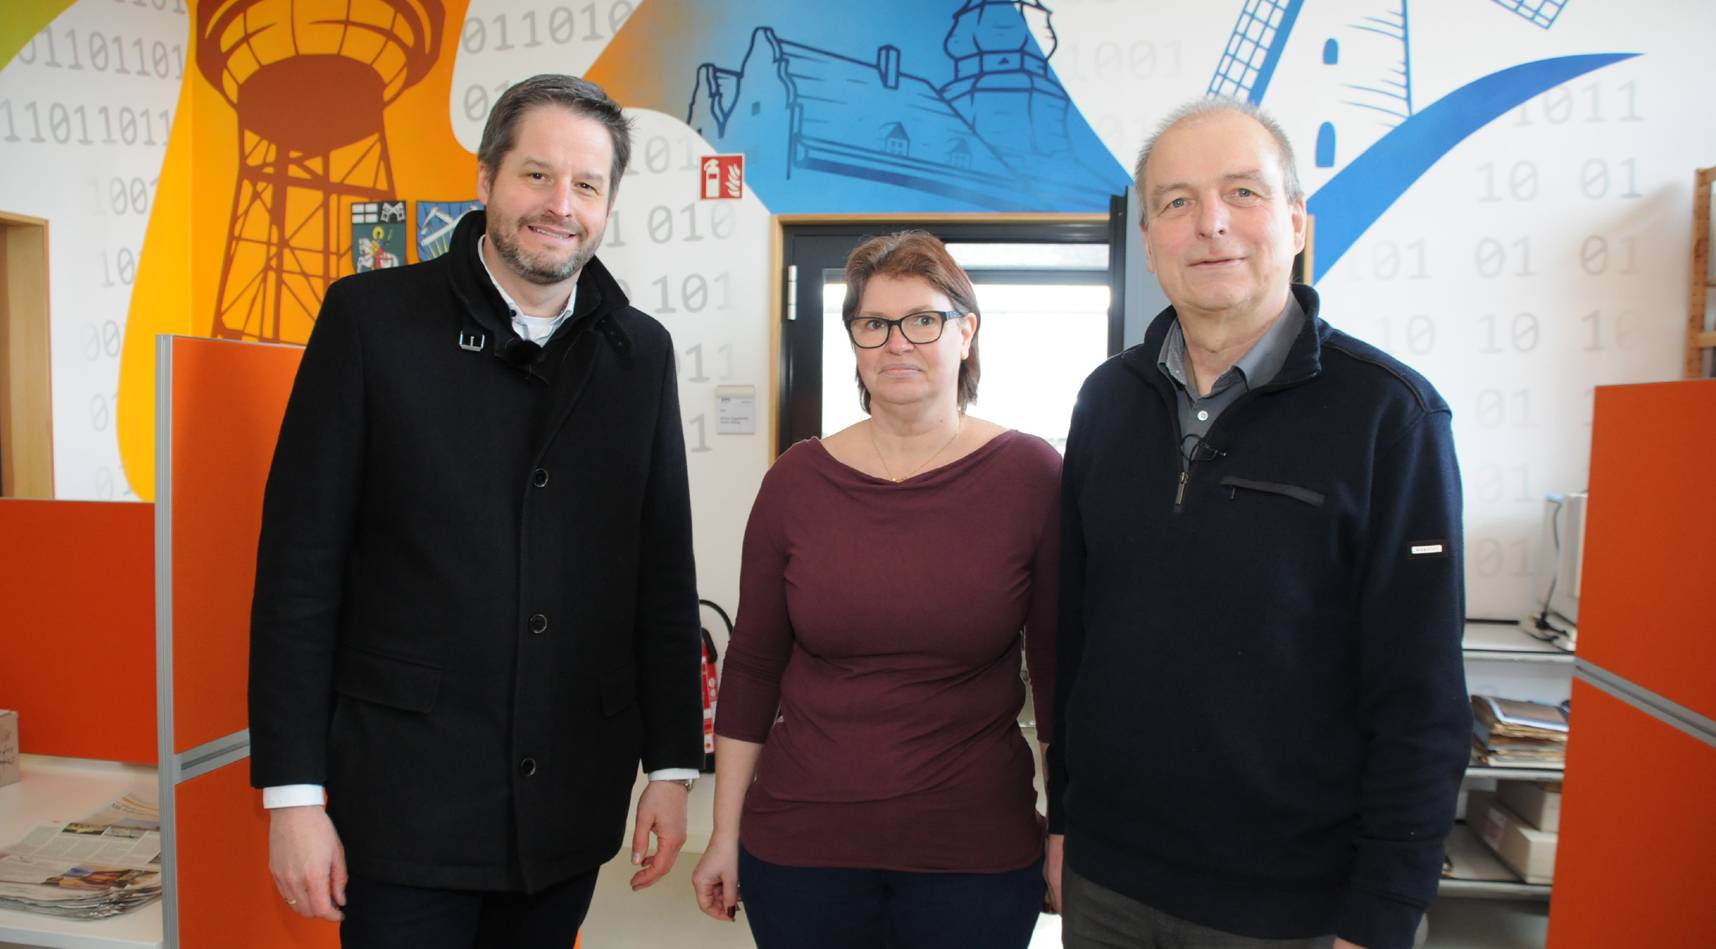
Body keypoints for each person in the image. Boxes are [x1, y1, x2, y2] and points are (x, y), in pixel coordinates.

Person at [248, 74, 704, 949]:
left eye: (587, 185)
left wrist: (674, 766)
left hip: (568, 801)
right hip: (403, 799)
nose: (560, 205)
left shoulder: (637, 350)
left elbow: (662, 571)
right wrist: (294, 796)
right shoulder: (370, 321)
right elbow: (298, 571)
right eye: (537, 175)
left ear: (609, 202)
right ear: (488, 176)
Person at [1046, 99, 1470, 949]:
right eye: (1175, 201)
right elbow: (1074, 639)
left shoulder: (1393, 417)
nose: (1210, 223)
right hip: (1108, 884)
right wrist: (1065, 822)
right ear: (1147, 239)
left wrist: (1382, 914)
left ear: (1297, 221)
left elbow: (1420, 697)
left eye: (1242, 191)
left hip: (1293, 908)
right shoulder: (1107, 400)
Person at [690, 231, 1060, 948]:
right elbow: (754, 666)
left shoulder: (1031, 476)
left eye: (923, 320)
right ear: (854, 341)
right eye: (873, 324)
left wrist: (1066, 831)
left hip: (975, 854)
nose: (898, 343)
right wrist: (724, 833)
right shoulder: (796, 482)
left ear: (966, 330)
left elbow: (1056, 673)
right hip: (802, 852)